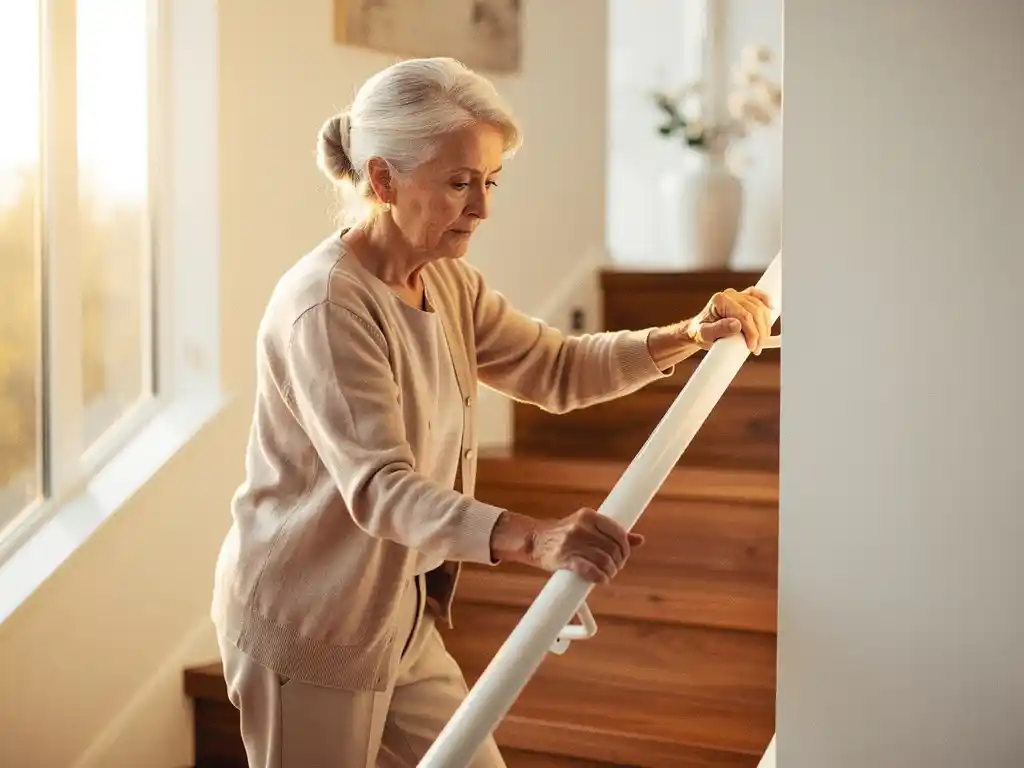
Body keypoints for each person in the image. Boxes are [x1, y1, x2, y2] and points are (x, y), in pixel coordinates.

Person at [210, 56, 773, 768]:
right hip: (312, 626)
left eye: (488, 182)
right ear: (383, 181)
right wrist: (534, 539)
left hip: (398, 618)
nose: (482, 208)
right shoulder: (326, 305)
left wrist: (689, 335)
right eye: (458, 183)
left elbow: (557, 368)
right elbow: (381, 489)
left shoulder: (445, 282)